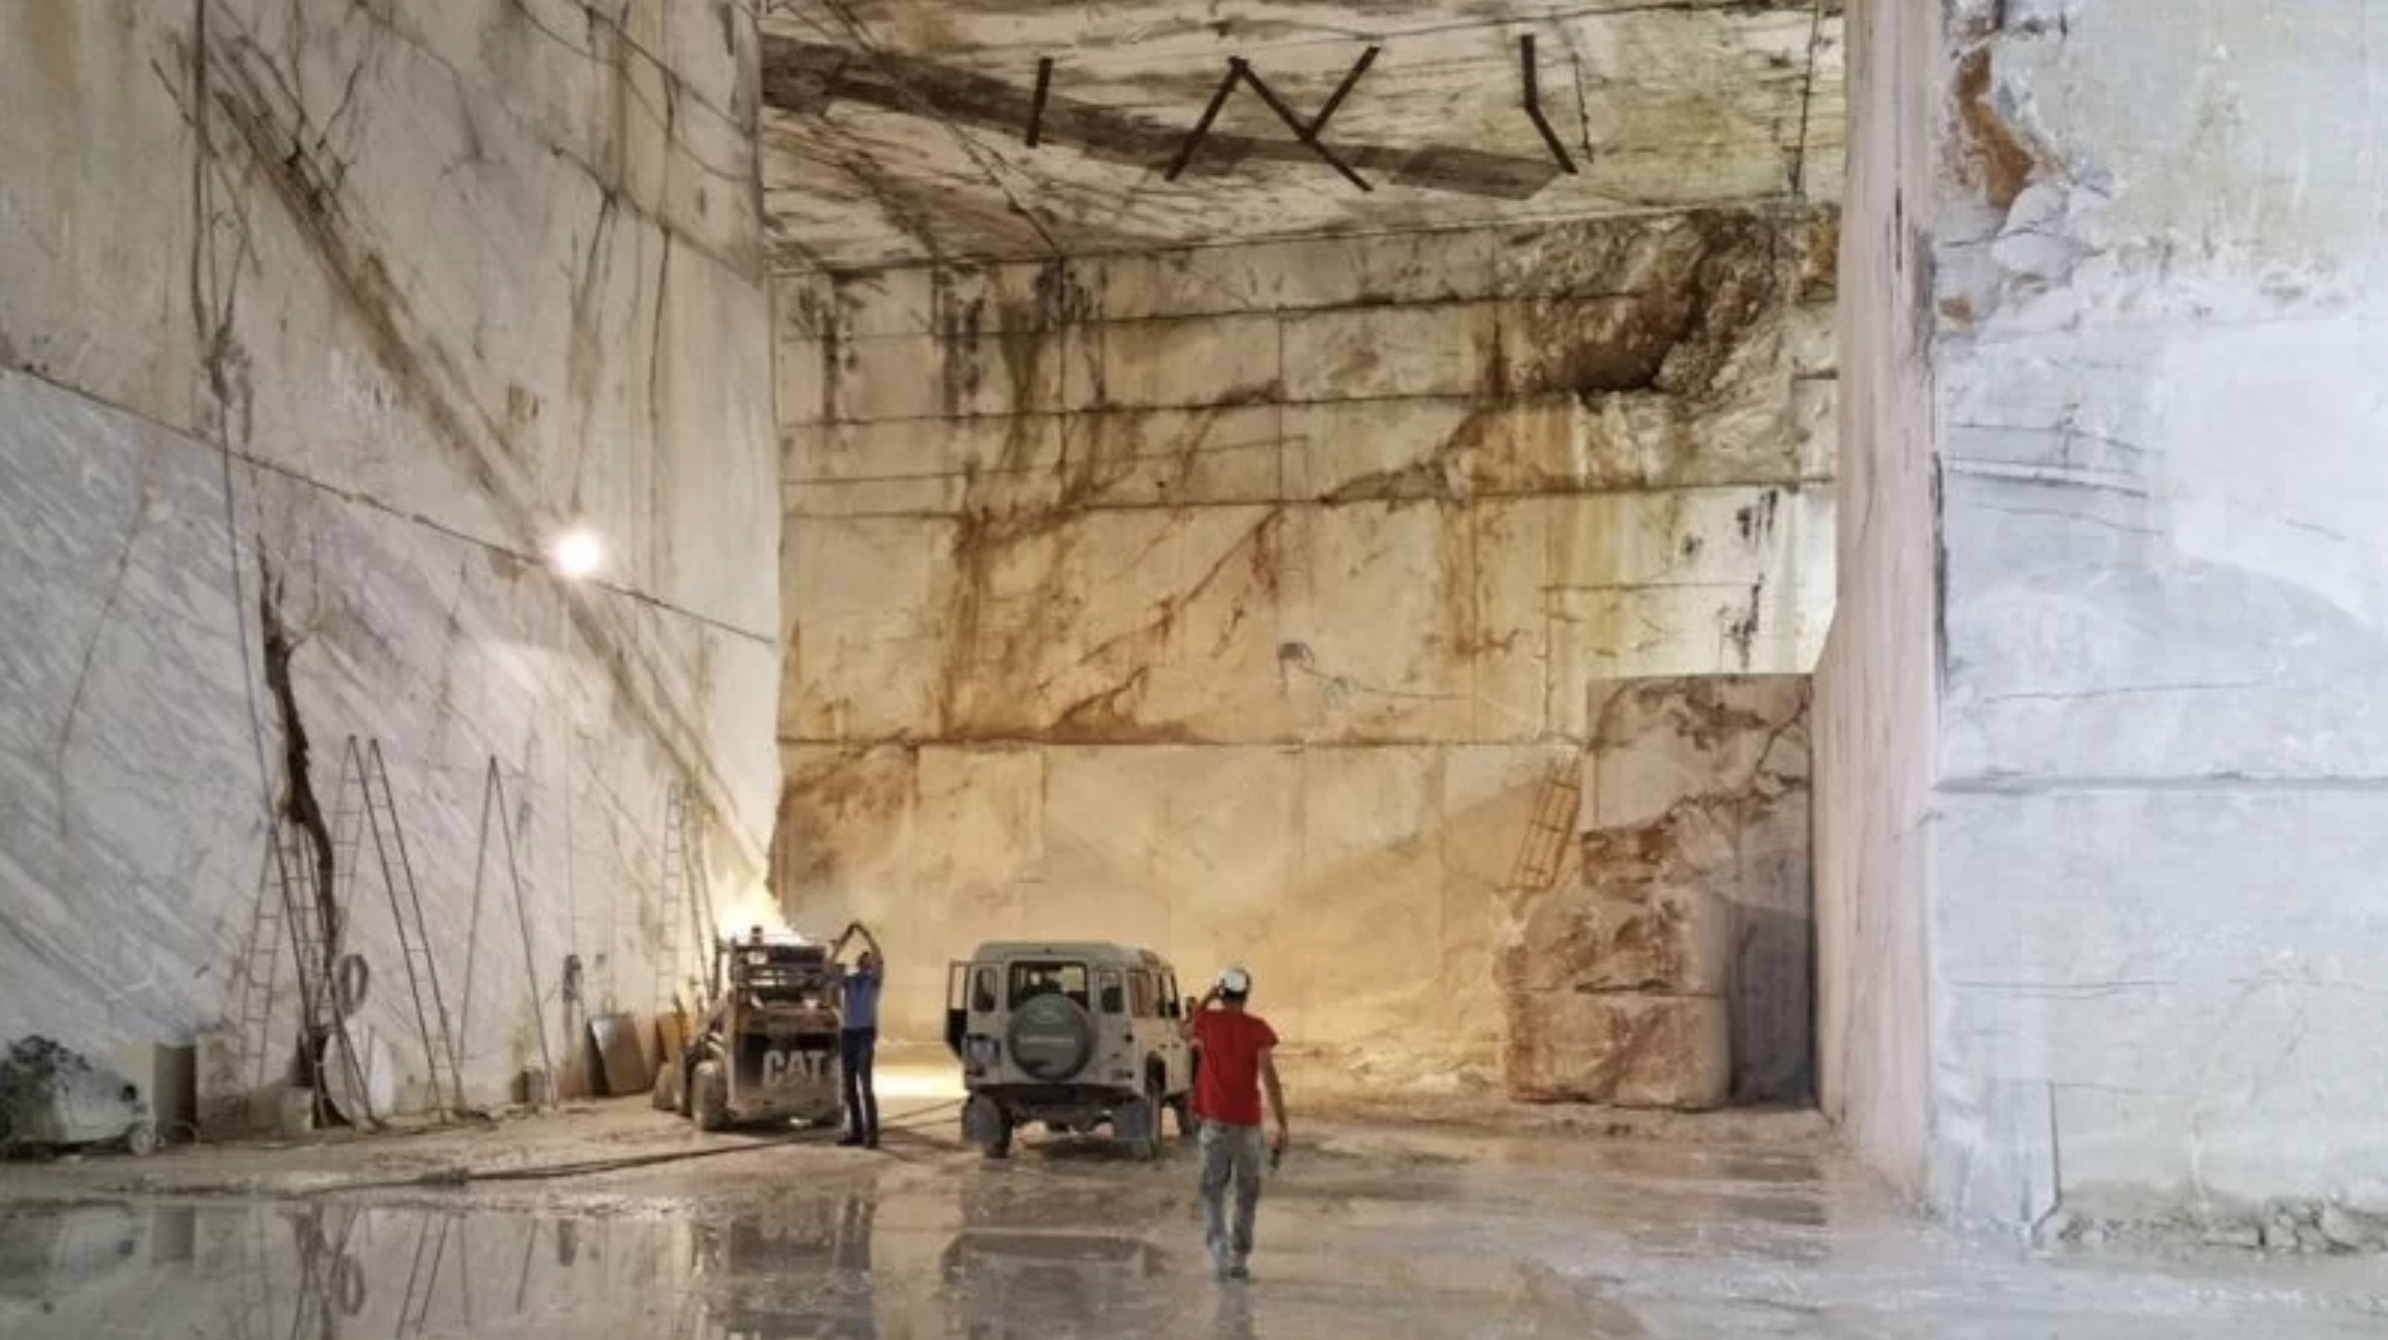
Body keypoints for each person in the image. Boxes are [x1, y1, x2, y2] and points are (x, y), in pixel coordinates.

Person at [1178, 965, 1288, 1282]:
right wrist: (1282, 1124)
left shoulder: (1207, 1022)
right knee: (1247, 1192)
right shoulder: (1258, 1029)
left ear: (1222, 993)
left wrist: (1209, 993)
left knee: (1212, 1191)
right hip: (1249, 1126)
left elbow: (1182, 1030)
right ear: (1247, 994)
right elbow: (1269, 1077)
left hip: (1215, 1126)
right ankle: (1239, 1257)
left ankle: (1220, 1253)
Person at [829, 920, 884, 1148]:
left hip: (863, 1035)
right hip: (849, 1034)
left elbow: (879, 956)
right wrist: (844, 938)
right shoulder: (849, 981)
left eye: (869, 959)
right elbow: (828, 964)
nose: (867, 960)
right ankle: (857, 1132)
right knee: (849, 1087)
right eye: (864, 959)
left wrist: (866, 934)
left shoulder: (874, 981)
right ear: (859, 963)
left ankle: (872, 1134)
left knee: (866, 1086)